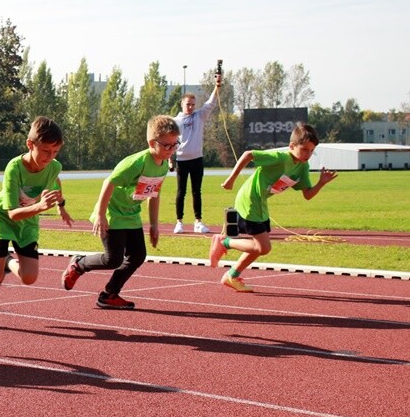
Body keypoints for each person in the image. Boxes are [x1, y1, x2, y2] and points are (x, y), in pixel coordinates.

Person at [0, 117, 73, 330]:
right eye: (46, 151)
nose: (50, 158)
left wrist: (61, 205)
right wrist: (41, 207)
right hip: (2, 219)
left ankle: (7, 262)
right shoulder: (14, 168)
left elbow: (55, 180)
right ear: (30, 144)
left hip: (28, 222)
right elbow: (12, 213)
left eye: (56, 152)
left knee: (29, 277)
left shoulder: (53, 166)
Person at [61, 115, 180, 309]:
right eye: (167, 145)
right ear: (152, 143)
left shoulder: (163, 165)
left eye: (175, 144)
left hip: (131, 214)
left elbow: (154, 194)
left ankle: (109, 294)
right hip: (112, 213)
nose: (171, 150)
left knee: (138, 256)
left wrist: (154, 225)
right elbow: (108, 182)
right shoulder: (136, 162)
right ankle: (79, 264)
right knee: (112, 259)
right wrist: (100, 215)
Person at [208, 123, 337, 292]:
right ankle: (224, 242)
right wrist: (231, 179)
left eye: (312, 151)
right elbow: (248, 155)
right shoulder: (280, 157)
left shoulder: (303, 167)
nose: (308, 154)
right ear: (292, 146)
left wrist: (321, 183)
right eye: (304, 149)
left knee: (258, 247)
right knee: (264, 247)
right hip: (250, 199)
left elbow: (307, 194)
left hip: (261, 203)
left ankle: (232, 275)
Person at [172, 74, 222, 234]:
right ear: (182, 104)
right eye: (188, 104)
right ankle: (179, 222)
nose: (191, 107)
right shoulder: (176, 121)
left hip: (197, 159)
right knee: (181, 192)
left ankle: (198, 222)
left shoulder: (200, 116)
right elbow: (171, 141)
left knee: (196, 191)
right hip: (182, 159)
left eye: (193, 104)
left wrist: (217, 86)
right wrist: (170, 160)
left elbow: (211, 103)